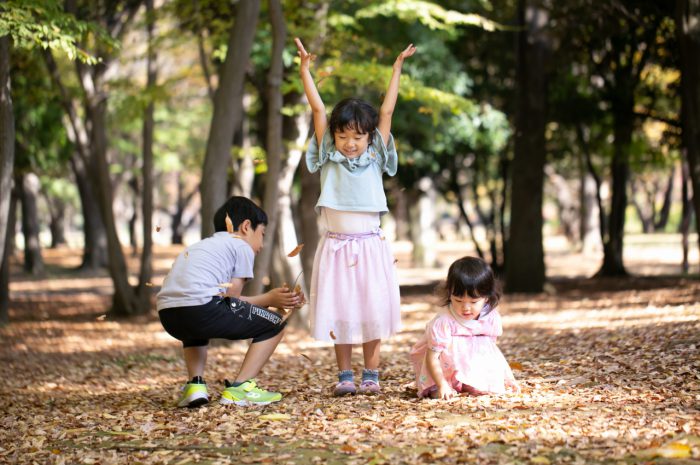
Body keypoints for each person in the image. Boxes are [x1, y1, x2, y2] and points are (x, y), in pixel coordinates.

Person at [294, 37, 416, 396]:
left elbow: (387, 113)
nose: (350, 142)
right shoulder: (328, 159)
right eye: (343, 135)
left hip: (370, 246)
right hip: (335, 247)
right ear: (333, 136)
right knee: (340, 310)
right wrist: (305, 71)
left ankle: (371, 374)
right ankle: (345, 375)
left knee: (372, 309)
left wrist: (397, 69)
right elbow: (318, 111)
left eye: (358, 136)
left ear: (368, 138)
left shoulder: (375, 155)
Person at [157, 196, 303, 408]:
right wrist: (269, 299)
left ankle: (195, 386)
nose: (261, 245)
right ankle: (240, 388)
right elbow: (232, 299)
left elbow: (213, 298)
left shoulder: (200, 246)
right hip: (201, 310)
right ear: (246, 227)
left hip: (169, 315)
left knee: (195, 329)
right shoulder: (240, 245)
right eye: (262, 234)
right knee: (276, 323)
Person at [410, 257, 519, 399]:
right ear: (450, 294)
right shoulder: (444, 321)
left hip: (472, 365)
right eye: (458, 300)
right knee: (440, 393)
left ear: (486, 297)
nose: (465, 308)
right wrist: (442, 384)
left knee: (486, 390)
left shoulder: (490, 318)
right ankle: (444, 386)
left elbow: (491, 351)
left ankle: (471, 382)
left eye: (474, 301)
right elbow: (433, 357)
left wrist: (506, 377)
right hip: (446, 370)